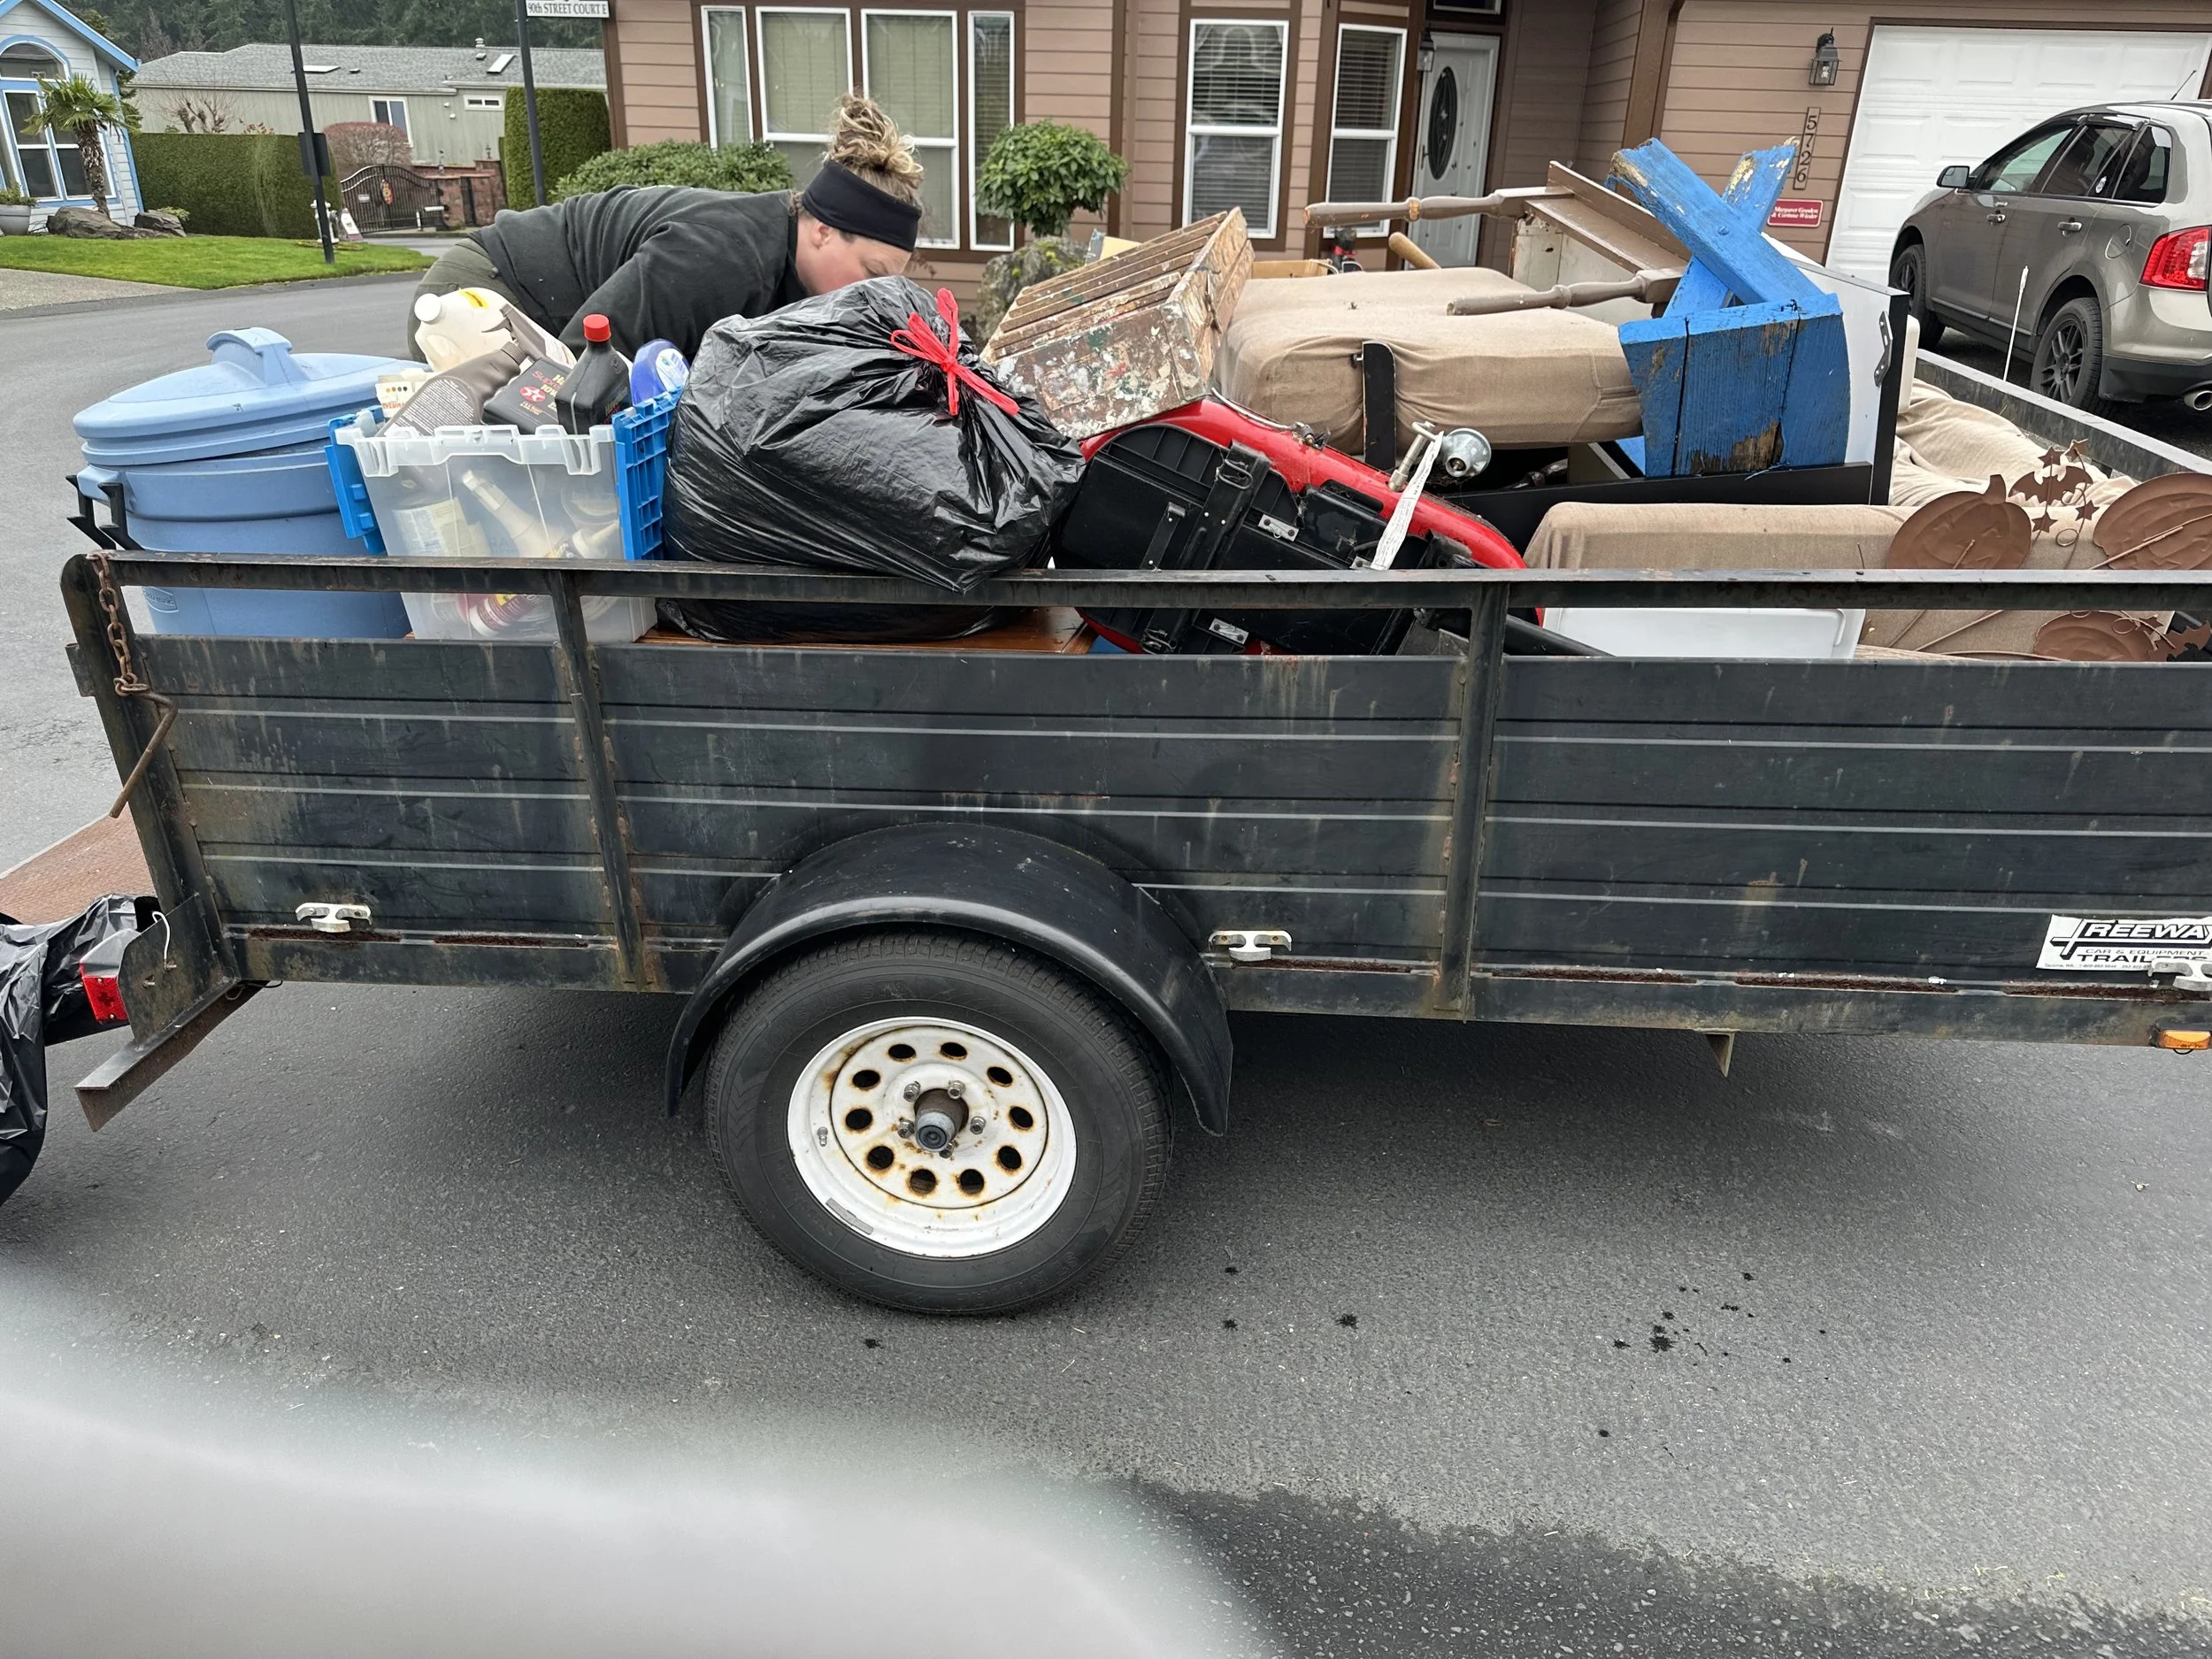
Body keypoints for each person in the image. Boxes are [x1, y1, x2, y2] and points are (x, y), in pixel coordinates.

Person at [404, 93, 924, 362]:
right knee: (535, 440)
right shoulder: (724, 255)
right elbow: (589, 356)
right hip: (485, 297)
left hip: (552, 317)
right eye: (871, 273)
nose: (873, 295)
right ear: (823, 230)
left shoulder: (795, 272)